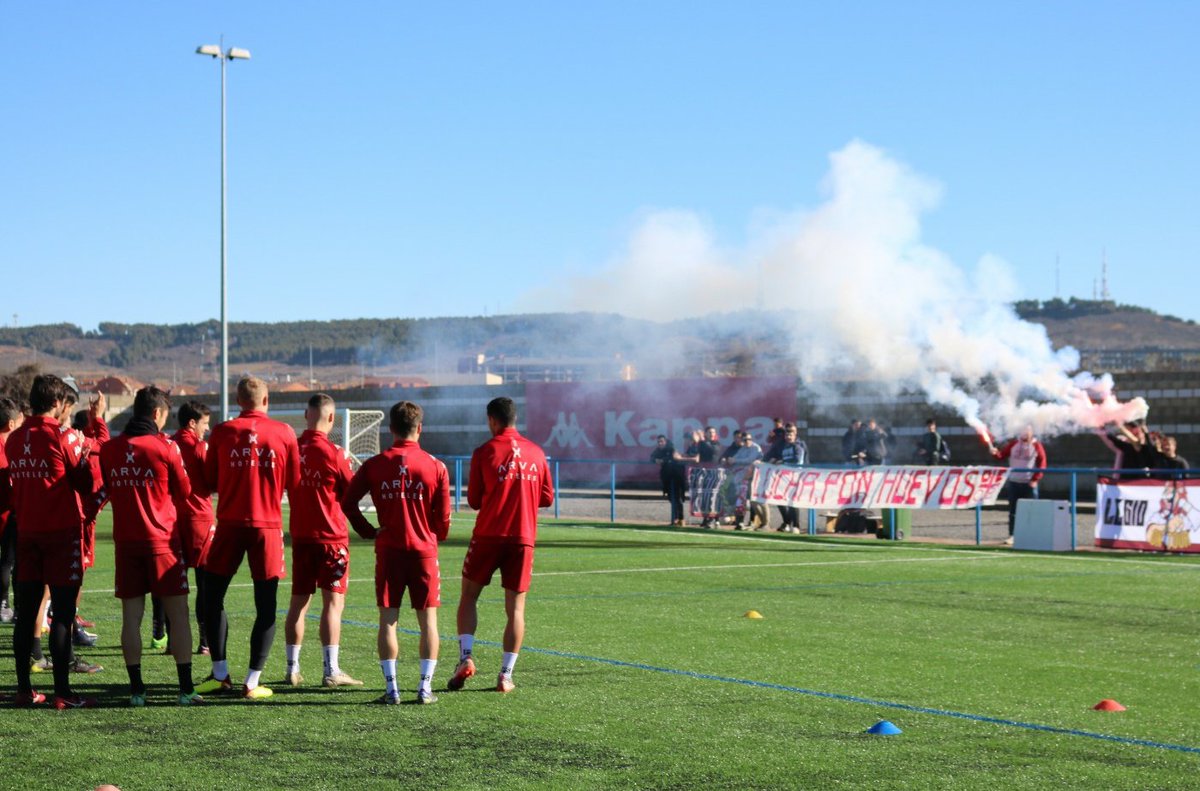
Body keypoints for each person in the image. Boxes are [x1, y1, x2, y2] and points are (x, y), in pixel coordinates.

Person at [196, 376, 300, 699]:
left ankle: (220, 673)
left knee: (211, 598)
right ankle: (253, 682)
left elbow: (210, 479)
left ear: (239, 401)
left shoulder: (223, 432)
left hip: (228, 525)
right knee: (265, 605)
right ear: (266, 401)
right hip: (267, 528)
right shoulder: (284, 433)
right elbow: (294, 483)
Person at [342, 400, 451, 705]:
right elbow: (442, 520)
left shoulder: (375, 465)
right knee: (428, 622)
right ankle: (424, 688)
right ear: (420, 428)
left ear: (390, 429)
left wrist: (369, 531)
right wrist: (434, 536)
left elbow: (348, 503)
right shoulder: (435, 466)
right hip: (423, 553)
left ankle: (392, 690)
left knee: (388, 620)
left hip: (389, 551)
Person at [101, 386, 202, 706]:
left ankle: (136, 691)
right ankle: (185, 690)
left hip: (126, 543)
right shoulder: (166, 447)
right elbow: (185, 491)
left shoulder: (110, 449)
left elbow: (108, 487)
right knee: (179, 615)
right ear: (157, 414)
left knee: (131, 617)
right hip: (163, 543)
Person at [448, 397, 554, 694]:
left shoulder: (484, 452)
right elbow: (546, 497)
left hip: (488, 536)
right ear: (514, 418)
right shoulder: (536, 452)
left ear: (492, 420)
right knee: (516, 609)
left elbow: (474, 500)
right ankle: (506, 675)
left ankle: (465, 657)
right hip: (523, 538)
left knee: (469, 596)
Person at [5, 374, 98, 708]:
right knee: (62, 614)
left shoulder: (15, 439)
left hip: (27, 534)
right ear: (58, 403)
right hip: (60, 536)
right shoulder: (62, 436)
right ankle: (62, 692)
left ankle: (23, 689)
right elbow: (86, 484)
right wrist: (85, 456)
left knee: (28, 612)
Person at [283, 394, 361, 689]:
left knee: (298, 603)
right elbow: (351, 493)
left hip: (301, 537)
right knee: (333, 603)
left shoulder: (292, 449)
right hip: (331, 539)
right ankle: (331, 670)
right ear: (331, 419)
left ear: (305, 414)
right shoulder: (334, 452)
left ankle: (292, 668)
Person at [170, 400, 215, 656]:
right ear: (192, 423)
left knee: (171, 584)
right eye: (205, 424)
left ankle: (166, 637)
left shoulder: (167, 443)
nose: (206, 429)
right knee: (204, 583)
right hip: (199, 519)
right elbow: (212, 481)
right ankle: (205, 641)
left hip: (172, 519)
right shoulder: (199, 447)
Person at [988, 426, 1047, 545]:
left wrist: (1035, 479)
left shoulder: (1036, 446)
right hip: (1014, 482)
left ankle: (1032, 536)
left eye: (1027, 431)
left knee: (1032, 511)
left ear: (1031, 433)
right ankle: (1012, 535)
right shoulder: (1013, 444)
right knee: (1013, 511)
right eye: (1022, 430)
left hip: (1029, 484)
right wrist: (994, 453)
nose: (1024, 433)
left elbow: (1042, 464)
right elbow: (1001, 456)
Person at [0, 397, 23, 623]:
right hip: (8, 516)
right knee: (9, 561)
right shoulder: (5, 448)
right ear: (11, 424)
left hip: (8, 514)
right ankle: (6, 605)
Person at [764, 423, 807, 533]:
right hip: (784, 477)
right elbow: (774, 456)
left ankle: (796, 525)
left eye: (791, 435)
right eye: (787, 435)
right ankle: (787, 522)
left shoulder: (798, 447)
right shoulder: (783, 447)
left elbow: (799, 461)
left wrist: (782, 462)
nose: (788, 437)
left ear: (795, 435)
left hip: (795, 477)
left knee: (793, 502)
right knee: (779, 499)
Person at [650, 435, 687, 526]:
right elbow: (651, 457)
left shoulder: (671, 448)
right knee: (671, 498)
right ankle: (675, 518)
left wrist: (663, 460)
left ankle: (681, 519)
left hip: (677, 476)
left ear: (665, 441)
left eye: (661, 441)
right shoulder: (658, 450)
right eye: (658, 442)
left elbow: (672, 457)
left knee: (678, 498)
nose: (660, 443)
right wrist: (656, 460)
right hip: (667, 477)